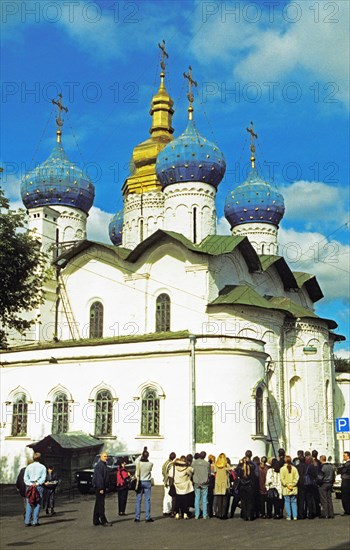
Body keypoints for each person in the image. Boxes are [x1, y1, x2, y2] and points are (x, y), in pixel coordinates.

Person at [23, 452, 47, 526]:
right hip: (38, 486)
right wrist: (37, 483)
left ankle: (27, 521)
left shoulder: (28, 467)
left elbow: (25, 478)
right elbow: (43, 478)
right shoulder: (43, 467)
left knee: (29, 503)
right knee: (37, 503)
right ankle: (35, 521)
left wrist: (30, 484)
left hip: (29, 486)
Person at [92, 451, 112, 526]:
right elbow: (99, 478)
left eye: (107, 456)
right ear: (101, 457)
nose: (106, 458)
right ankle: (103, 521)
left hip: (102, 486)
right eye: (104, 456)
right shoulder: (100, 466)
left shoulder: (103, 465)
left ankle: (96, 520)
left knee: (98, 504)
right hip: (100, 487)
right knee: (101, 504)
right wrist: (101, 488)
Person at [134, 447, 154, 523]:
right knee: (147, 500)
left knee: (138, 500)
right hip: (147, 481)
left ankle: (137, 517)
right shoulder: (150, 464)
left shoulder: (138, 463)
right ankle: (147, 517)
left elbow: (136, 460)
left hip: (139, 482)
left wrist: (141, 454)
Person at [173, 455, 193, 519]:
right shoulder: (187, 468)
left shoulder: (175, 467)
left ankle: (177, 513)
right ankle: (185, 513)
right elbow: (191, 472)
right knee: (185, 500)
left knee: (178, 499)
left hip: (177, 484)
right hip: (184, 485)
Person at [192, 451, 211, 520]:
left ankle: (197, 514)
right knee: (204, 499)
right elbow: (209, 473)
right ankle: (204, 515)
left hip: (196, 482)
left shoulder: (194, 463)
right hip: (204, 483)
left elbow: (192, 471)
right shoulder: (207, 463)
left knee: (197, 498)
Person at [236, 456, 255, 521]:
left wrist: (240, 463)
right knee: (249, 501)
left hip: (242, 486)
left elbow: (237, 471)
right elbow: (254, 468)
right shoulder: (251, 467)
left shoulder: (240, 467)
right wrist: (249, 461)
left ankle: (245, 516)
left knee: (243, 502)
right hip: (249, 486)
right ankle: (250, 515)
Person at [280, 455, 299, 520]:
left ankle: (289, 516)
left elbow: (282, 479)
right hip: (294, 488)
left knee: (287, 502)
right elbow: (296, 478)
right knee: (294, 502)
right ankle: (295, 516)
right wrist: (293, 484)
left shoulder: (282, 469)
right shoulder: (294, 468)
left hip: (286, 488)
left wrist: (287, 484)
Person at [318, 454, 335, 519]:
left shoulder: (322, 467)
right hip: (330, 483)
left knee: (323, 499)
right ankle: (331, 513)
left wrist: (318, 483)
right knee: (329, 499)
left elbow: (320, 477)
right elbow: (333, 475)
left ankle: (325, 514)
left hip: (323, 483)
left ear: (321, 459)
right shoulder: (331, 466)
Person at [162, 452, 176, 516]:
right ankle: (169, 510)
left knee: (165, 496)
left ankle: (165, 510)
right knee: (170, 496)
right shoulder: (171, 464)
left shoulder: (165, 462)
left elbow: (163, 471)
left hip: (165, 480)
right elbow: (172, 474)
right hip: (169, 482)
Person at [339, 451, 350, 515]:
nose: (343, 457)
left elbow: (342, 471)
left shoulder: (347, 464)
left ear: (348, 456)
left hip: (346, 481)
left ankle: (347, 510)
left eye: (344, 456)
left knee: (345, 496)